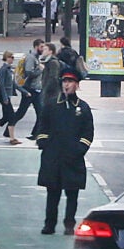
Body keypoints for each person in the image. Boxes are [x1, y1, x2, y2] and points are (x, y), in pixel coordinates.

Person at [34, 71, 95, 234]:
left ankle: (69, 224)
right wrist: (43, 142)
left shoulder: (83, 107)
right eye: (64, 81)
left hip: (73, 159)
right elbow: (42, 126)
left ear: (77, 85)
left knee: (72, 194)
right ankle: (49, 224)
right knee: (52, 194)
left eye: (70, 81)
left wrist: (80, 149)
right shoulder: (52, 104)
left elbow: (88, 133)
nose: (66, 84)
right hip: (53, 157)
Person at [0, 50, 28, 143]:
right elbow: (2, 85)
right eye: (11, 57)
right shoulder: (3, 69)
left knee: (5, 117)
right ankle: (12, 138)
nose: (13, 59)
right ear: (7, 58)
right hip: (3, 96)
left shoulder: (9, 69)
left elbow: (13, 84)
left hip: (6, 96)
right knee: (12, 116)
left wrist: (24, 92)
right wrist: (5, 98)